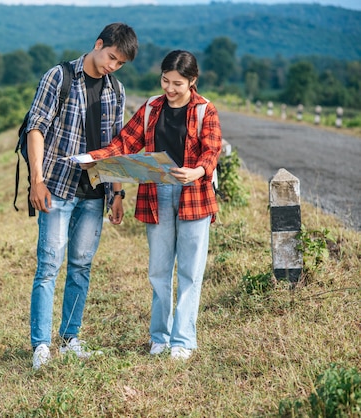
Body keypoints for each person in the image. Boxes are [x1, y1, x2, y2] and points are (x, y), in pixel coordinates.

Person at [81, 50, 222, 360]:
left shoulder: (204, 111)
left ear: (192, 81)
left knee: (190, 271)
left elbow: (212, 151)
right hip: (156, 194)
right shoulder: (150, 109)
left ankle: (182, 341)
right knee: (159, 271)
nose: (169, 89)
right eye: (165, 81)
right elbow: (123, 144)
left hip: (194, 196)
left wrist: (197, 171)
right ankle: (159, 337)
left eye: (177, 83)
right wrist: (93, 159)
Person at [26, 23, 138, 370]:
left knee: (80, 267)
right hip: (57, 186)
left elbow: (115, 147)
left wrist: (117, 193)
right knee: (48, 267)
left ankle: (71, 338)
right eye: (111, 57)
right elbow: (36, 127)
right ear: (98, 44)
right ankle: (41, 346)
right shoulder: (59, 77)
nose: (112, 66)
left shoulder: (115, 90)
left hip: (94, 192)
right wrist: (37, 181)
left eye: (119, 63)